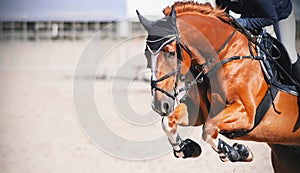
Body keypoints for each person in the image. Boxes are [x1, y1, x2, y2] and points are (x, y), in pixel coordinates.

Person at [216, 0, 300, 85]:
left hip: (279, 14)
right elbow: (225, 10)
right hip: (253, 11)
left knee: (289, 54)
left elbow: (272, 18)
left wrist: (244, 22)